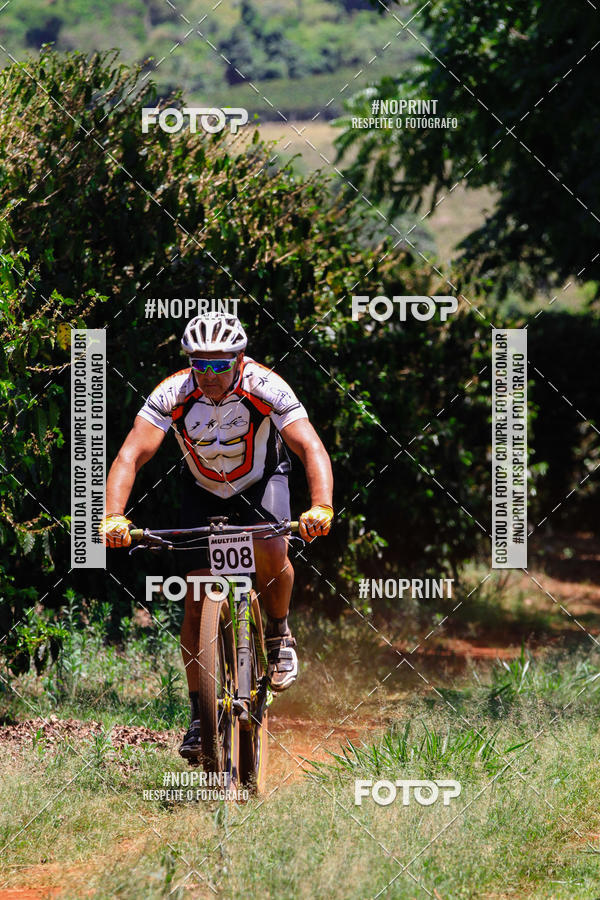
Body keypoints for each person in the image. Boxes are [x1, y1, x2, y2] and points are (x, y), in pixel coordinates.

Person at [99, 314, 333, 759]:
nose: (208, 376)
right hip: (203, 491)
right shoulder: (173, 393)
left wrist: (320, 504)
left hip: (262, 482)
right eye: (199, 365)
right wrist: (113, 516)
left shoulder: (267, 386)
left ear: (240, 360)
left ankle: (279, 635)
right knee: (195, 596)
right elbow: (131, 454)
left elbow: (310, 447)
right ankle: (198, 715)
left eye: (219, 365)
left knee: (269, 545)